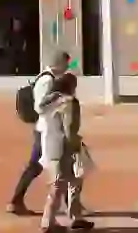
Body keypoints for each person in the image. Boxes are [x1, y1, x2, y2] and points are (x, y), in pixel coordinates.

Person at [8, 51, 71, 215]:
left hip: (48, 128)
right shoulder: (47, 80)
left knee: (54, 165)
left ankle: (71, 203)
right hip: (45, 129)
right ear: (59, 63)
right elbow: (40, 107)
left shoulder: (49, 79)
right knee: (47, 166)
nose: (67, 68)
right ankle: (16, 200)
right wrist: (59, 101)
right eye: (66, 64)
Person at [38, 72, 94, 232]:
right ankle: (48, 221)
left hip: (50, 145)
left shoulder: (49, 102)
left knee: (72, 180)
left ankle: (76, 216)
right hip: (64, 146)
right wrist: (76, 146)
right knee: (61, 183)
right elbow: (70, 128)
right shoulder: (69, 102)